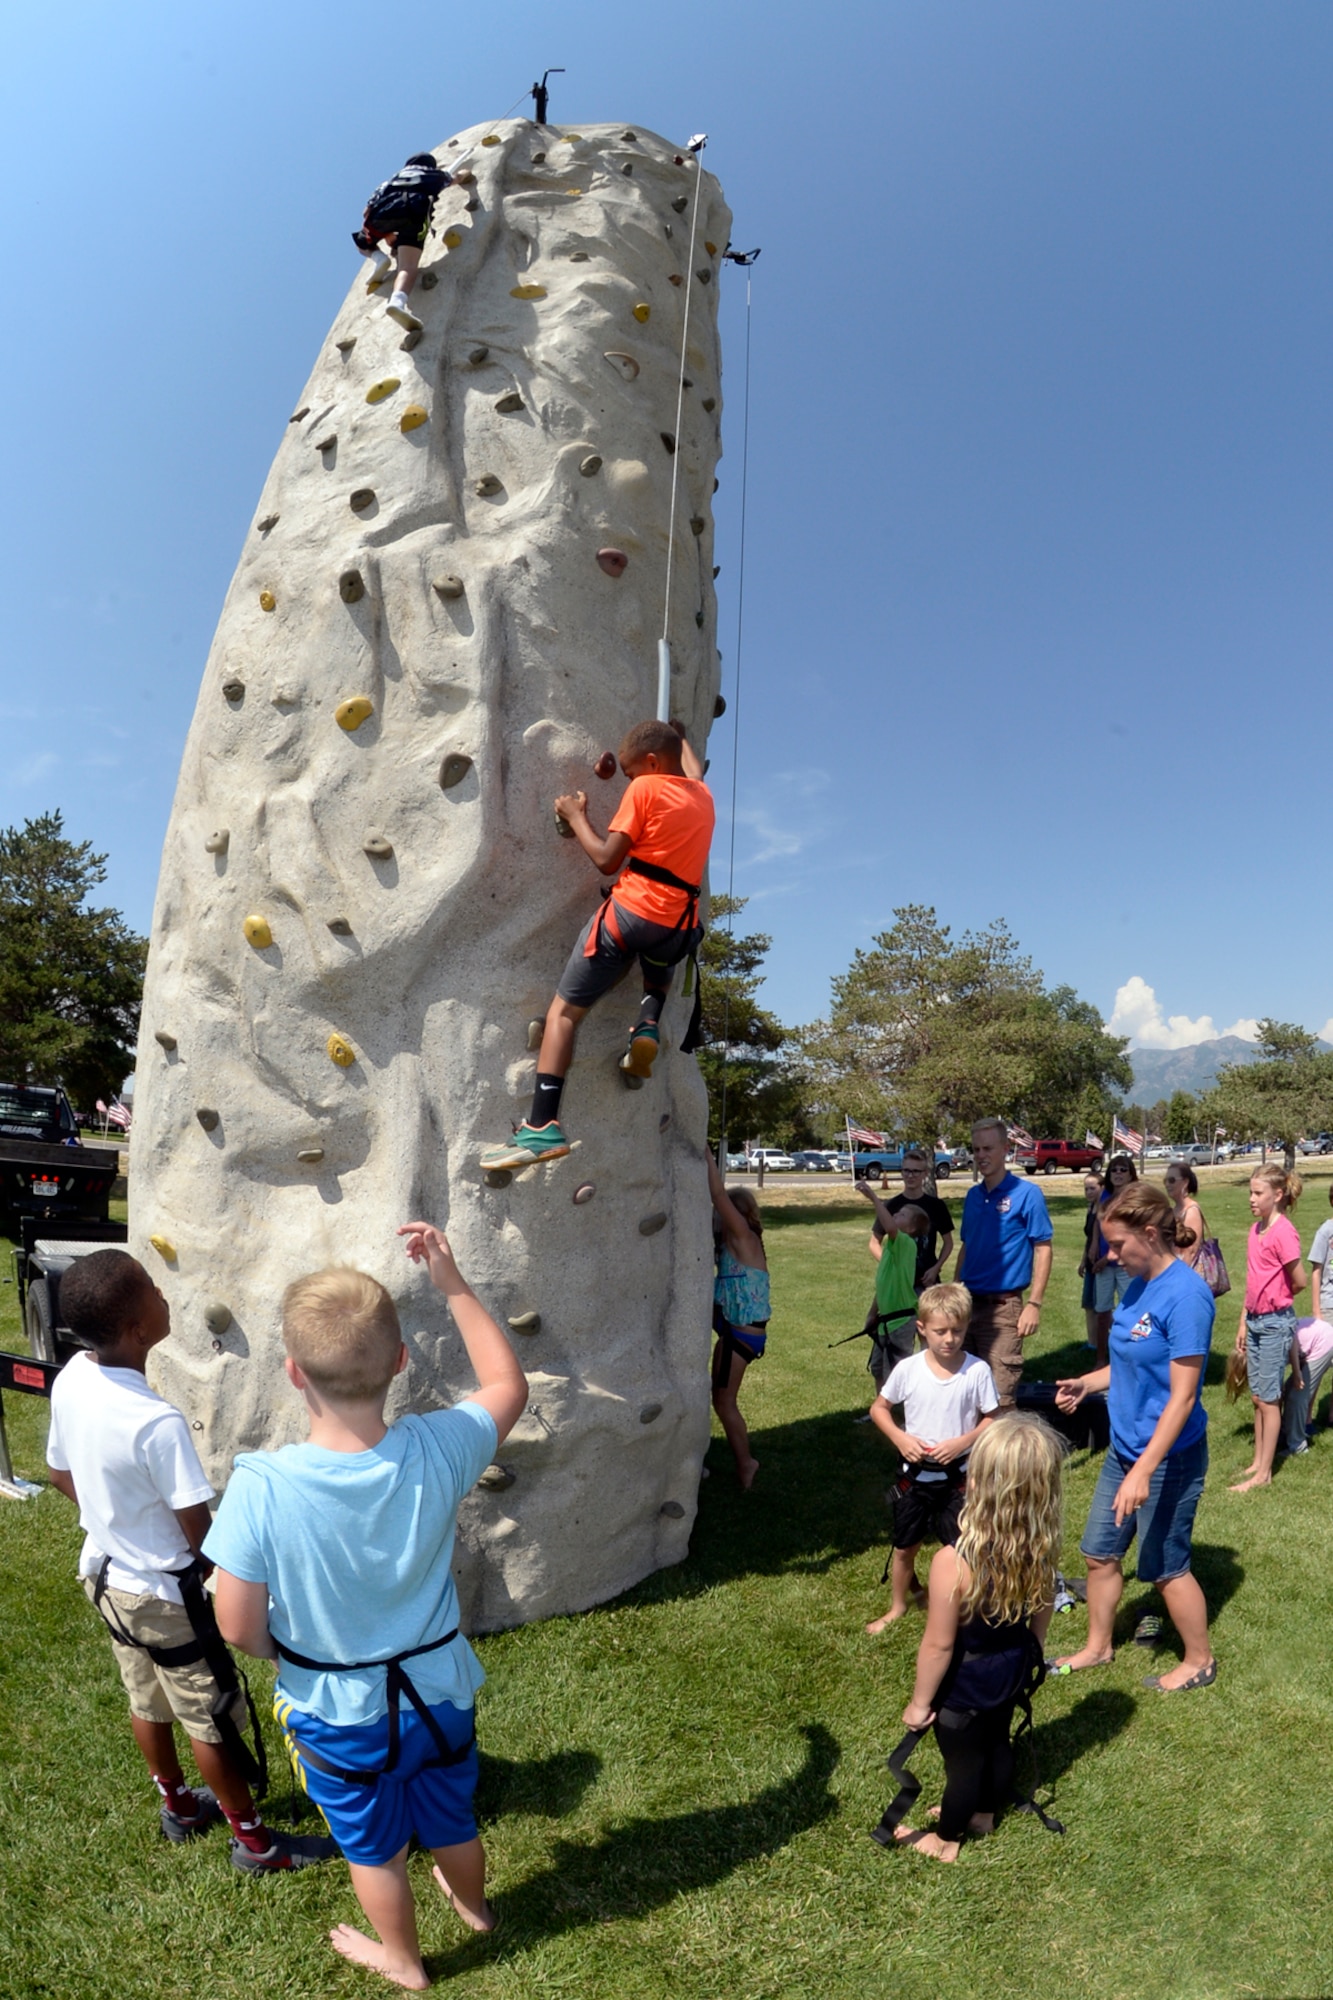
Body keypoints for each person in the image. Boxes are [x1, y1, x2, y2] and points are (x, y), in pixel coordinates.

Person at [207, 1228, 528, 1991]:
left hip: (335, 1709)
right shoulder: (437, 1447)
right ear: (399, 1362)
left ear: (292, 1373)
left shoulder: (262, 1485)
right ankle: (476, 1908)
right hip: (440, 1691)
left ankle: (405, 1961)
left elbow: (236, 1626)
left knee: (372, 1849)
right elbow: (507, 1383)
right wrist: (450, 1283)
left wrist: (280, 1654)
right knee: (451, 1810)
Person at [44, 1249, 333, 1872]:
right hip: (164, 1596)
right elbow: (201, 1536)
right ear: (138, 1330)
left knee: (145, 1697)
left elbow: (57, 1470)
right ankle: (255, 1842)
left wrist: (108, 1519)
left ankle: (177, 1804)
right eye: (151, 1286)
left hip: (105, 1578)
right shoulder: (156, 1423)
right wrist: (232, 1579)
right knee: (211, 1715)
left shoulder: (72, 1376)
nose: (162, 1291)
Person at [481, 719, 714, 1171]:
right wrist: (681, 734)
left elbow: (608, 860)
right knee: (658, 957)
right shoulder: (701, 797)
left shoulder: (646, 790)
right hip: (678, 927)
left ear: (650, 764)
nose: (628, 781)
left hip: (629, 917)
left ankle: (541, 1126)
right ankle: (647, 1023)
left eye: (630, 773)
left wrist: (575, 816)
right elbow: (694, 770)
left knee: (562, 1015)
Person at [1054, 1179, 1217, 1692]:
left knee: (1166, 1567)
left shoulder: (1186, 1297)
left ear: (1151, 1233)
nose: (1111, 1254)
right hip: (1125, 1449)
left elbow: (1183, 1397)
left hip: (1168, 1457)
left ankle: (1199, 1661)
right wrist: (1086, 1382)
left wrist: (1144, 1470)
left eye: (1119, 1244)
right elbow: (1126, 1362)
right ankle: (1098, 1648)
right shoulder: (1138, 1282)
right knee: (1099, 1552)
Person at [882, 1413, 1064, 1862]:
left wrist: (921, 1703)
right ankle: (984, 1813)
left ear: (977, 1481)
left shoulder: (953, 1561)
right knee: (998, 1741)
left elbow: (940, 1644)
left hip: (965, 1685)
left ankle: (946, 1840)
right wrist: (1034, 1650)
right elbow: (1042, 1604)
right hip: (1014, 1666)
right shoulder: (1040, 1546)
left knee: (963, 1766)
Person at [866, 1282, 998, 1636]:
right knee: (904, 1547)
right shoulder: (909, 1370)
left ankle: (962, 1604)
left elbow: (992, 1418)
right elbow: (879, 1409)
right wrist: (899, 1437)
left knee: (962, 1548)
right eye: (940, 1331)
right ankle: (898, 1605)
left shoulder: (977, 1371)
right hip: (914, 1479)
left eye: (958, 1330)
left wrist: (963, 1442)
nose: (949, 1339)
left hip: (959, 1479)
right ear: (922, 1329)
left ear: (967, 1326)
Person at [954, 1116, 1054, 1408]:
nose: (981, 1156)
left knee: (1000, 1396)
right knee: (964, 1392)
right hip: (967, 1305)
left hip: (1003, 1308)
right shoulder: (973, 1196)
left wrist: (1034, 1304)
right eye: (976, 1150)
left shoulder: (1027, 1195)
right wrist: (955, 1290)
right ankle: (968, 1454)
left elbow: (1043, 1249)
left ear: (1005, 1149)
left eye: (987, 1149)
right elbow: (966, 1247)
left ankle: (1002, 1455)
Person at [1230, 1164, 1306, 1492]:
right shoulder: (1254, 1230)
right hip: (1256, 1320)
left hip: (1276, 1323)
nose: (1251, 1198)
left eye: (1257, 1193)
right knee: (1258, 1397)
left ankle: (1265, 1473)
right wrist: (1244, 1321)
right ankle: (1257, 1463)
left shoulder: (1283, 1231)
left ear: (1277, 1195)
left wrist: (1277, 1299)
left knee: (1270, 1399)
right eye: (1250, 1192)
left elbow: (1299, 1280)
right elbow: (1252, 1282)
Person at [707, 1154, 769, 1490]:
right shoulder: (729, 1248)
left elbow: (717, 1197)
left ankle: (747, 1463)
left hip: (742, 1337)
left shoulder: (746, 1239)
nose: (717, 1218)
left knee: (724, 1402)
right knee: (716, 1397)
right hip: (734, 1331)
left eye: (723, 1214)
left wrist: (707, 1159)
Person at [353, 152, 454, 332]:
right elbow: (456, 179)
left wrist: (386, 234)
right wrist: (464, 175)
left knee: (362, 243)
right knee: (407, 266)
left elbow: (366, 211)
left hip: (384, 215)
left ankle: (378, 258)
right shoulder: (433, 175)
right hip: (414, 215)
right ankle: (397, 303)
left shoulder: (390, 181)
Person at [855, 1182, 932, 1389]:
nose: (896, 1214)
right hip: (885, 1320)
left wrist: (873, 1197)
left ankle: (905, 1413)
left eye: (903, 1215)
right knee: (878, 1368)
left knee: (898, 1371)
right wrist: (873, 1313)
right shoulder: (890, 1247)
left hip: (901, 1321)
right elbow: (884, 1286)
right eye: (896, 1212)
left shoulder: (906, 1243)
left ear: (912, 1228)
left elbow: (889, 1226)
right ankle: (881, 1409)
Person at [868, 1150, 954, 1297]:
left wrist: (936, 1268)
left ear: (925, 1173)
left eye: (916, 1171)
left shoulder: (936, 1205)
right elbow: (874, 1242)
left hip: (927, 1281)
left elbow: (948, 1243)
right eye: (906, 1170)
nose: (910, 1175)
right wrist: (891, 1266)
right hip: (899, 1282)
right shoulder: (891, 1206)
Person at [1280, 1318, 1333, 1455]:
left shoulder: (1276, 1346)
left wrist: (1297, 1375)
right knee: (1289, 1389)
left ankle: (1298, 1446)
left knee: (1298, 1396)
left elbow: (1293, 1345)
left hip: (1323, 1341)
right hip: (1311, 1341)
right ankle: (1286, 1434)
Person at [1305, 1185, 1333, 1387]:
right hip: (1329, 1304)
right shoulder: (1326, 1232)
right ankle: (1306, 1414)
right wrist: (1317, 1311)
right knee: (1320, 1362)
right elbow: (1316, 1272)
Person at [1077, 1172, 1104, 1353]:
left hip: (1101, 1263)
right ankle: (1091, 1342)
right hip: (1089, 1262)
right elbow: (1088, 1239)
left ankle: (1103, 1342)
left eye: (1093, 1188)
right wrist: (1082, 1261)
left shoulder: (1104, 1209)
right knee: (1088, 1304)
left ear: (1102, 1187)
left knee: (1099, 1305)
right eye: (1086, 1188)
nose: (1089, 1192)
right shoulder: (1090, 1208)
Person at [1164, 1161, 1207, 1272]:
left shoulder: (1191, 1210)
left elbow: (1190, 1251)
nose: (1167, 1184)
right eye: (1165, 1181)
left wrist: (1181, 1276)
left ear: (1185, 1182)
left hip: (1186, 1271)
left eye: (1172, 1180)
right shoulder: (1174, 1209)